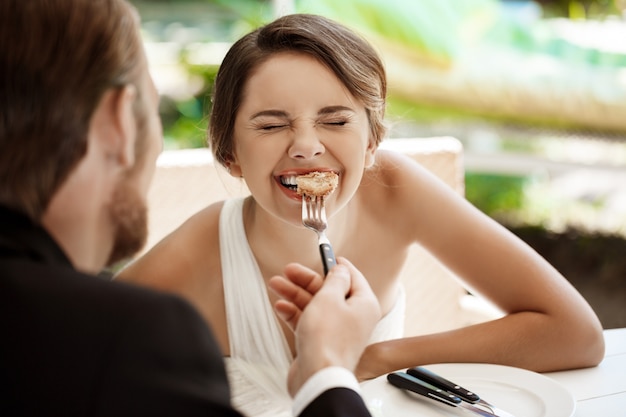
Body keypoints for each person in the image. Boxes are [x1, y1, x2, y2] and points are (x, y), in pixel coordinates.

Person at [117, 12, 605, 417]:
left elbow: (575, 334)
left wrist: (374, 357)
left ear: (372, 143)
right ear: (230, 156)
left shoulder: (394, 189)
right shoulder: (193, 257)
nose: (306, 146)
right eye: (271, 125)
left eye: (335, 120)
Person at [0, 2, 383, 416]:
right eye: (151, 105)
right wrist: (326, 369)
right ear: (120, 122)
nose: (306, 146)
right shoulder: (127, 337)